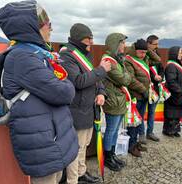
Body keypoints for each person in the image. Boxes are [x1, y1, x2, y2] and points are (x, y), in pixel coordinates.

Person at [0, 1, 79, 184]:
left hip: (47, 137)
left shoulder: (35, 54)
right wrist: (65, 82)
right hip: (42, 143)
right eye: (46, 22)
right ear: (29, 27)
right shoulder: (23, 57)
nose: (50, 27)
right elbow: (65, 93)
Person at [60, 23, 111, 183]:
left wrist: (101, 92)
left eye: (92, 37)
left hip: (89, 109)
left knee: (84, 146)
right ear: (78, 38)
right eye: (88, 38)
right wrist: (102, 70)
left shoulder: (83, 54)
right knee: (76, 149)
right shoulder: (67, 55)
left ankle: (81, 173)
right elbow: (79, 81)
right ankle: (72, 179)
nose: (91, 41)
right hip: (77, 111)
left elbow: (95, 78)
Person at [102, 33, 132, 171]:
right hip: (113, 100)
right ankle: (107, 157)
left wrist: (126, 74)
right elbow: (125, 80)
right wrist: (126, 75)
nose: (124, 46)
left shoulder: (118, 60)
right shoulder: (109, 61)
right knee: (111, 130)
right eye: (122, 43)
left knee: (115, 131)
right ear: (116, 44)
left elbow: (127, 77)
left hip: (119, 99)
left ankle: (112, 154)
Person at [125, 39, 150, 155]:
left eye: (145, 52)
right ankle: (131, 145)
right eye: (141, 52)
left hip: (144, 95)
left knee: (139, 121)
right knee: (133, 123)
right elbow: (131, 80)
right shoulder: (129, 60)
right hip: (135, 96)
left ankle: (136, 143)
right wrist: (143, 90)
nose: (143, 55)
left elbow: (157, 60)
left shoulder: (144, 59)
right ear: (135, 50)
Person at [162, 46, 182, 138]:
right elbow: (171, 81)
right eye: (180, 53)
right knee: (171, 113)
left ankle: (175, 130)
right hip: (173, 93)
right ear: (175, 54)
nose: (181, 54)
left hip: (178, 92)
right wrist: (179, 90)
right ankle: (168, 130)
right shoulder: (171, 65)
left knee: (177, 113)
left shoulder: (177, 64)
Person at [146, 35, 164, 142]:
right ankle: (140, 133)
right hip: (146, 87)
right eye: (155, 44)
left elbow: (161, 68)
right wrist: (154, 77)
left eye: (158, 44)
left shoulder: (157, 54)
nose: (157, 46)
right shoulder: (144, 54)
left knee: (152, 111)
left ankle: (150, 132)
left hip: (156, 88)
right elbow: (144, 70)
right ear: (148, 43)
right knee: (141, 111)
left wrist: (160, 77)